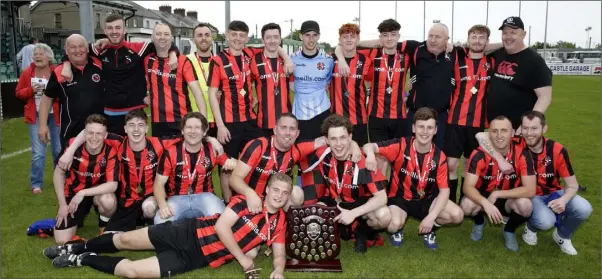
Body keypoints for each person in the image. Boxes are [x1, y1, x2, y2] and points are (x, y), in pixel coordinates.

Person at [44, 172, 292, 279]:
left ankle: (83, 258)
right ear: (267, 189)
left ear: (288, 196)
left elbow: (279, 253)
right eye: (276, 190)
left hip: (195, 258)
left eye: (285, 192)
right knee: (124, 240)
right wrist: (244, 259)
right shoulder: (245, 201)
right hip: (186, 232)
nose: (279, 195)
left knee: (132, 272)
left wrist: (278, 270)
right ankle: (75, 248)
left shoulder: (279, 222)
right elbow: (221, 229)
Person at [476, 111, 592, 255]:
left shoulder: (557, 150)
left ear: (544, 129)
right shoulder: (516, 142)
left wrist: (563, 200)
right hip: (530, 196)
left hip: (554, 192)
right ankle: (531, 227)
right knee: (545, 222)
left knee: (584, 208)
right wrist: (499, 159)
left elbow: (573, 185)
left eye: (534, 128)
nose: (529, 133)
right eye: (525, 128)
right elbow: (481, 135)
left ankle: (562, 236)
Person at [207, 20, 292, 202]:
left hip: (251, 120)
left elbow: (274, 47)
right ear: (227, 35)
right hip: (229, 122)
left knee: (254, 162)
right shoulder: (218, 61)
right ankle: (228, 203)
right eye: (234, 34)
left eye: (242, 35)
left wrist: (287, 57)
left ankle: (254, 198)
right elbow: (212, 94)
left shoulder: (250, 54)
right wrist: (220, 125)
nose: (238, 38)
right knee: (227, 166)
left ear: (247, 38)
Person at [60, 14, 179, 136]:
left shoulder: (139, 48)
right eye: (110, 28)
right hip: (110, 114)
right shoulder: (99, 49)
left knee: (136, 152)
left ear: (124, 30)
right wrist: (66, 64)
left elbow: (165, 44)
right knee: (113, 153)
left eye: (118, 28)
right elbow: (75, 50)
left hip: (135, 113)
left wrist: (173, 54)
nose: (114, 31)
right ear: (105, 30)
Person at [363, 107, 464, 250]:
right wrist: (372, 155)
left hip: (426, 200)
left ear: (435, 130)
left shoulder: (439, 156)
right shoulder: (400, 145)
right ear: (413, 128)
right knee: (392, 226)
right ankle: (398, 229)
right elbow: (368, 146)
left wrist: (432, 216)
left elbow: (445, 191)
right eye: (421, 127)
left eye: (429, 127)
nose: (425, 131)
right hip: (400, 198)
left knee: (457, 215)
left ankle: (429, 229)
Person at [302, 114, 390, 253]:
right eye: (333, 139)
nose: (338, 144)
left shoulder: (361, 160)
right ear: (326, 140)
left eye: (343, 137)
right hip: (334, 201)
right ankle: (334, 232)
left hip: (358, 205)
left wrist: (353, 214)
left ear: (350, 137)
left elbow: (382, 197)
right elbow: (294, 152)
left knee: (384, 215)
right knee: (313, 212)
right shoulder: (321, 155)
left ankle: (362, 232)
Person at [229, 113, 356, 209]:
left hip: (276, 200)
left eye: (292, 129)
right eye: (283, 127)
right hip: (250, 199)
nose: (288, 133)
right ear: (274, 129)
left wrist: (353, 145)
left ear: (297, 133)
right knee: (253, 245)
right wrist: (250, 193)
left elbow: (329, 139)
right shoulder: (258, 145)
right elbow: (234, 179)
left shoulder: (297, 150)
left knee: (297, 194)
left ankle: (286, 223)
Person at [461, 115, 536, 252]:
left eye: (504, 130)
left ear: (512, 133)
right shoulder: (479, 154)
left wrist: (497, 194)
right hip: (483, 196)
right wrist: (485, 203)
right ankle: (479, 222)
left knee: (526, 205)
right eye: (494, 131)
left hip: (508, 198)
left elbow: (530, 190)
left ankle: (509, 230)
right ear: (489, 133)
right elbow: (467, 187)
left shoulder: (522, 154)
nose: (499, 135)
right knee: (466, 205)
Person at [153, 112, 237, 225]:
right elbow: (158, 184)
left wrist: (232, 163)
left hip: (205, 196)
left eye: (197, 127)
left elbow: (236, 164)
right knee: (159, 222)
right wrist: (163, 205)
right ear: (182, 130)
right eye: (189, 127)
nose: (193, 131)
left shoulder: (213, 149)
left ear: (204, 132)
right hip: (177, 198)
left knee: (222, 220)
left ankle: (207, 241)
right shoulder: (171, 152)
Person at [444, 24, 496, 203]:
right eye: (474, 37)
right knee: (451, 164)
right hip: (455, 121)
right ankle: (449, 202)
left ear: (487, 42)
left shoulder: (492, 61)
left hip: (479, 124)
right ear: (468, 39)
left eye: (482, 38)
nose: (477, 41)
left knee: (469, 165)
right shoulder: (458, 57)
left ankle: (465, 201)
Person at [51, 114, 119, 244]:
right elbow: (58, 174)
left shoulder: (111, 151)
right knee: (61, 240)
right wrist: (63, 204)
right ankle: (78, 224)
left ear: (105, 135)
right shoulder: (72, 147)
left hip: (96, 194)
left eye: (99, 134)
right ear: (84, 133)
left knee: (108, 200)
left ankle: (104, 227)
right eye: (90, 133)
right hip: (73, 195)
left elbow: (112, 185)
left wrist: (83, 193)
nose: (94, 138)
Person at [38, 34, 105, 150]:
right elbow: (46, 98)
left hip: (99, 131)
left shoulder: (100, 64)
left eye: (81, 46)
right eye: (73, 47)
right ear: (66, 50)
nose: (78, 50)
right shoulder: (59, 72)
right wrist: (43, 125)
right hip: (71, 132)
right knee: (68, 165)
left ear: (88, 48)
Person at [486, 16, 553, 132]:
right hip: (496, 128)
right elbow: (478, 48)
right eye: (505, 33)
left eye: (513, 33)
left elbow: (545, 97)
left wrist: (528, 125)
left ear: (523, 35)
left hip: (519, 129)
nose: (508, 36)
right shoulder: (497, 54)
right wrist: (503, 43)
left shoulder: (534, 60)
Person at [142, 23, 206, 138]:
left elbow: (197, 92)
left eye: (166, 34)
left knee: (182, 155)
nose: (162, 37)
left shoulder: (183, 61)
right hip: (158, 122)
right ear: (152, 37)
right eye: (158, 34)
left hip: (181, 120)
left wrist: (203, 122)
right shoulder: (147, 60)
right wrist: (146, 94)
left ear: (171, 38)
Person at [15, 42, 61, 195]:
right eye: (35, 54)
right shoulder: (28, 73)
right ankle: (36, 184)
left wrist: (54, 95)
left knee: (58, 149)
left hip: (55, 116)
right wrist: (30, 91)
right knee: (38, 153)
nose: (37, 56)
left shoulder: (57, 71)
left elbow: (65, 93)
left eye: (40, 54)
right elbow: (18, 93)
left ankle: (59, 179)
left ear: (49, 57)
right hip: (35, 117)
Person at [289, 20, 334, 141]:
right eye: (307, 35)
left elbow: (328, 83)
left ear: (319, 36)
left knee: (323, 154)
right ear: (301, 36)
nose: (311, 39)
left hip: (322, 113)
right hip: (300, 115)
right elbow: (290, 84)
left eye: (314, 35)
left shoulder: (328, 60)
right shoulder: (291, 59)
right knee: (302, 154)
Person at [329, 23, 372, 146]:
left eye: (352, 37)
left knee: (359, 157)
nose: (349, 40)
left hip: (359, 119)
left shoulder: (366, 60)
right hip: (336, 118)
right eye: (345, 36)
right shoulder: (330, 60)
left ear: (358, 39)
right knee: (337, 156)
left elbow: (369, 83)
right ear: (339, 40)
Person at [250, 23, 292, 136]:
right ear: (262, 40)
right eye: (268, 37)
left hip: (286, 122)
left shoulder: (288, 62)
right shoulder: (253, 60)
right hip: (263, 122)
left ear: (280, 39)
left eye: (275, 37)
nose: (272, 41)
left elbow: (294, 86)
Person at [188, 23, 218, 137]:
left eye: (207, 35)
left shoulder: (220, 61)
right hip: (195, 121)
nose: (204, 38)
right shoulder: (186, 61)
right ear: (193, 39)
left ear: (212, 38)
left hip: (219, 120)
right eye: (199, 35)